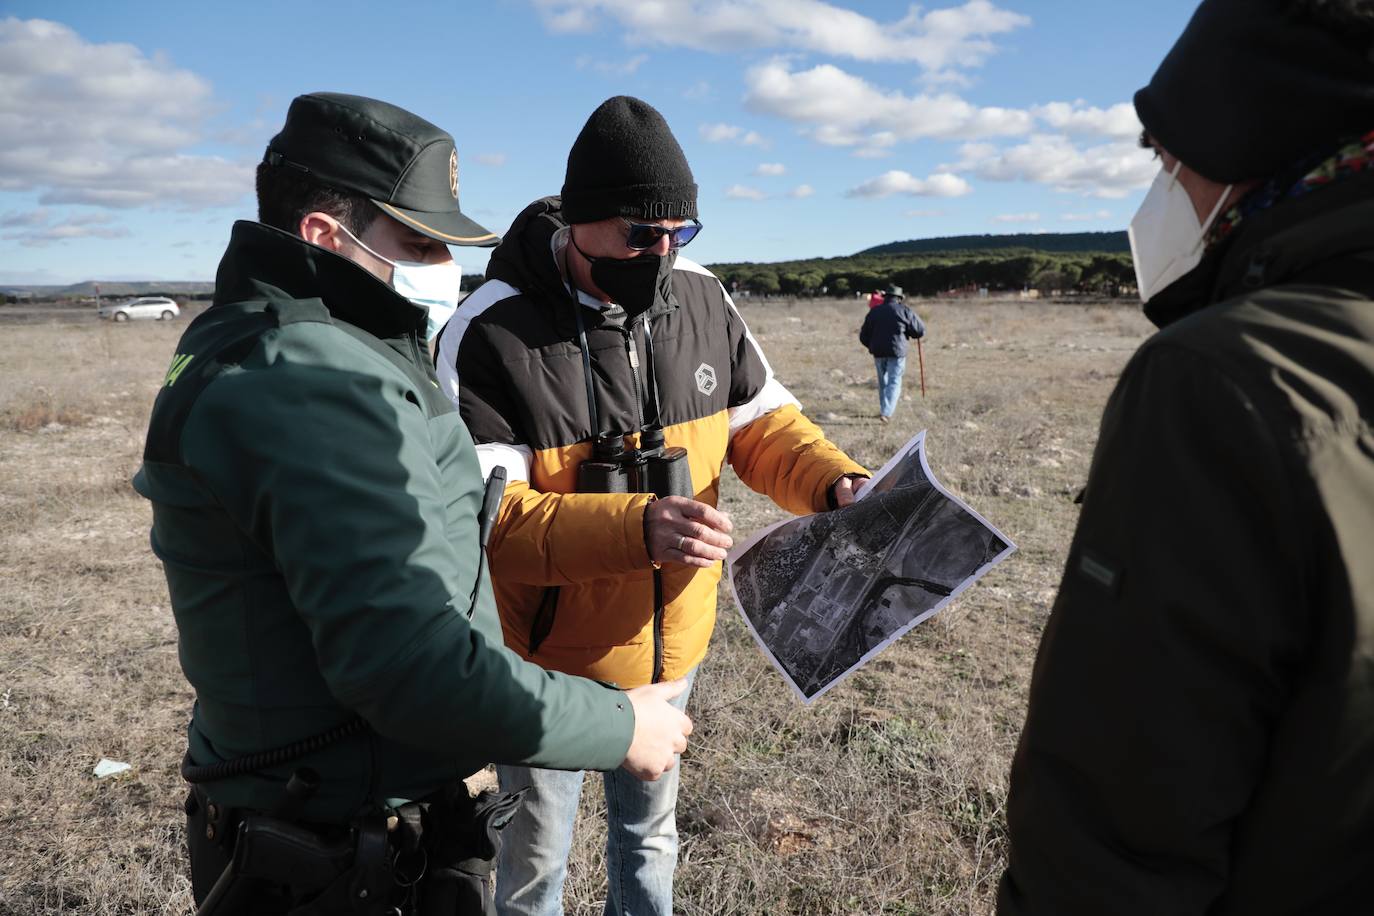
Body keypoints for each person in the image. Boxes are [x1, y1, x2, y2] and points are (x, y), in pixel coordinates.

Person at [132, 92, 693, 916]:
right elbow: (408, 664)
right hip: (339, 848)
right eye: (420, 240)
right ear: (326, 235)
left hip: (318, 808)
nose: (445, 265)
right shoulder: (318, 381)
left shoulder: (269, 337)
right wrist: (618, 728)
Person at [434, 95, 869, 916]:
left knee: (650, 841)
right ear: (581, 222)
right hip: (548, 664)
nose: (662, 253)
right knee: (534, 861)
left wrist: (833, 481)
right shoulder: (491, 333)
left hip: (675, 650)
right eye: (641, 235)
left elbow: (763, 424)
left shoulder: (704, 298)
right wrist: (636, 529)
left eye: (680, 234)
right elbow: (482, 521)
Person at [998, 2, 1374, 913]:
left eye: (1166, 157)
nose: (1160, 188)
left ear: (1253, 139)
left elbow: (1122, 818)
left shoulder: (1222, 381)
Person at [858, 284, 925, 422]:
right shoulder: (904, 310)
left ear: (885, 297)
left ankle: (884, 410)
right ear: (899, 298)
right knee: (894, 381)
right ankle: (886, 413)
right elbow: (919, 330)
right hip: (897, 352)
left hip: (878, 352)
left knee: (883, 382)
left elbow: (863, 335)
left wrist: (872, 346)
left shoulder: (874, 311)